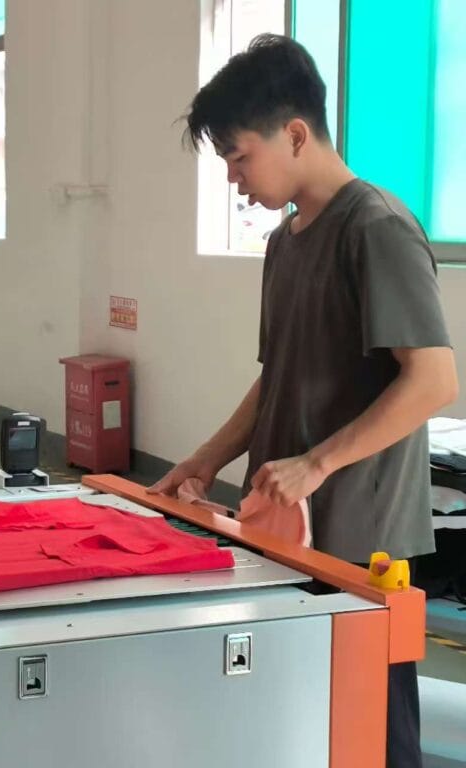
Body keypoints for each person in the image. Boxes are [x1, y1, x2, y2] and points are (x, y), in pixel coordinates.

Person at [151, 34, 458, 768]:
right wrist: (200, 460)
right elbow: (277, 377)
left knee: (376, 732)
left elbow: (435, 380)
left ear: (295, 134)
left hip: (360, 536)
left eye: (239, 155)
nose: (233, 177)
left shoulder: (376, 228)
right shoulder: (286, 244)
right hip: (284, 526)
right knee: (298, 717)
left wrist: (316, 465)